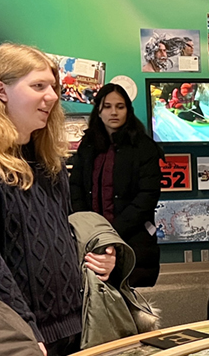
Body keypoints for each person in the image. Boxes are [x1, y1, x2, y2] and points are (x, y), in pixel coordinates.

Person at [0, 43, 114, 356]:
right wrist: (22, 332)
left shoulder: (47, 160)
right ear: (1, 91)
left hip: (76, 332)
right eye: (38, 86)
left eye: (54, 87)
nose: (53, 97)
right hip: (19, 343)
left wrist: (99, 257)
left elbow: (55, 238)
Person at [69, 82, 163, 287]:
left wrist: (111, 231)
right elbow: (75, 187)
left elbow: (147, 196)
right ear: (99, 111)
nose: (114, 112)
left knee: (134, 310)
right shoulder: (88, 145)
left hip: (134, 241)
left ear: (128, 110)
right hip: (91, 241)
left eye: (120, 107)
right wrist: (89, 229)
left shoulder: (144, 147)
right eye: (107, 106)